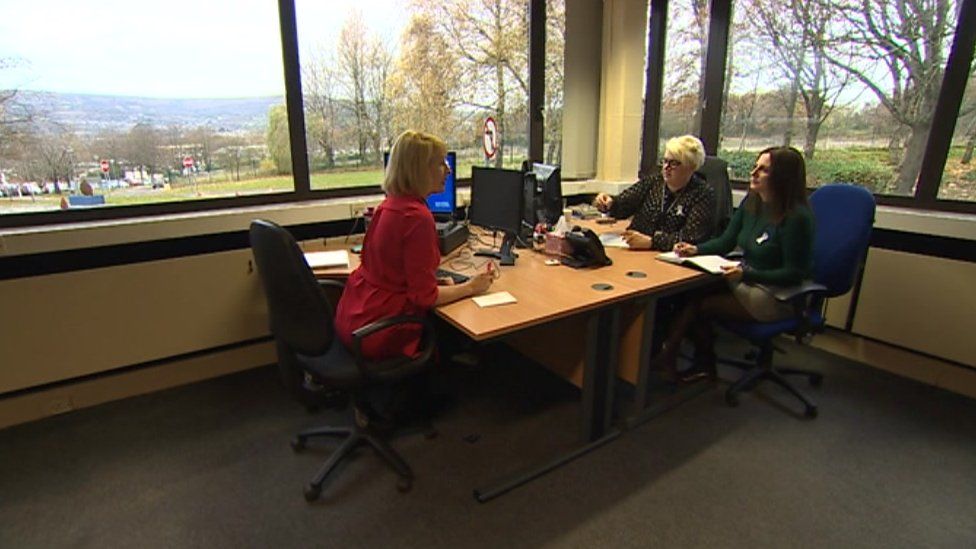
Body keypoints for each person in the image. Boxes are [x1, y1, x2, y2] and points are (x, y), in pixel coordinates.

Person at [659, 146, 815, 382]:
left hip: (775, 295)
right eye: (755, 166)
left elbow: (794, 273)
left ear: (782, 177)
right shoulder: (752, 203)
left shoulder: (797, 218)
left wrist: (745, 275)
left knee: (699, 304)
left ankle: (684, 359)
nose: (753, 172)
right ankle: (671, 355)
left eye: (763, 170)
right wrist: (696, 249)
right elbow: (725, 241)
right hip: (746, 279)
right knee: (689, 291)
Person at [335, 130, 494, 361]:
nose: (448, 170)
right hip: (381, 331)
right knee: (462, 331)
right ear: (420, 170)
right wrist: (472, 287)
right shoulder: (417, 217)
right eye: (440, 164)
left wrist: (434, 281)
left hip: (355, 319)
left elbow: (393, 273)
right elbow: (425, 299)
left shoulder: (388, 206)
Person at [593, 135, 716, 250]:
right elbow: (623, 205)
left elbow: (692, 237)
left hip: (669, 258)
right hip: (632, 248)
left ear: (691, 167)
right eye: (665, 161)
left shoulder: (702, 194)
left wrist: (652, 242)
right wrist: (609, 203)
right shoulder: (654, 181)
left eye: (674, 163)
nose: (666, 167)